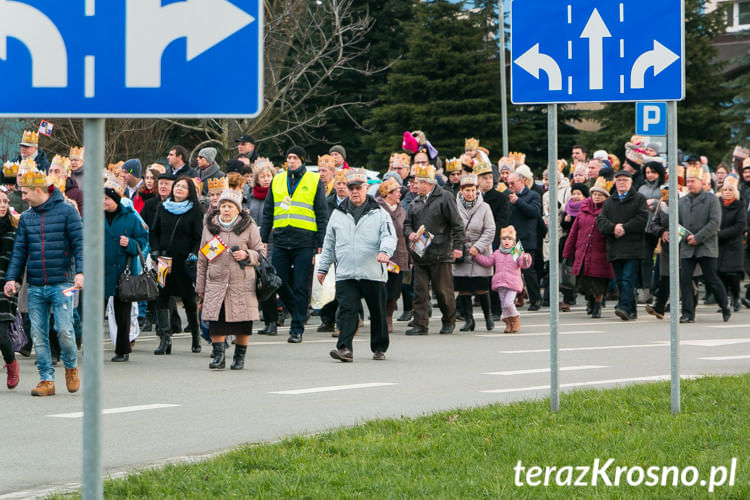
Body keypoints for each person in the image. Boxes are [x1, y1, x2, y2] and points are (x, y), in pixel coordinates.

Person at [5, 168, 83, 397]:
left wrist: (81, 272)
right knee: (38, 334)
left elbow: (80, 244)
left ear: (38, 190)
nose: (24, 197)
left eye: (26, 193)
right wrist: (12, 279)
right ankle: (46, 379)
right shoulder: (27, 218)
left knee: (64, 330)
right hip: (36, 286)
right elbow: (19, 252)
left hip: (64, 283)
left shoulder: (68, 212)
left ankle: (70, 366)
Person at [318, 168, 396, 362]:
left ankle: (379, 347)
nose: (354, 191)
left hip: (372, 272)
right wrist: (323, 268)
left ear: (366, 188)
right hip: (346, 272)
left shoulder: (379, 213)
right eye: (351, 187)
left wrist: (385, 252)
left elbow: (389, 236)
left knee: (377, 311)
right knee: (347, 310)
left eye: (358, 188)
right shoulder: (338, 214)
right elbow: (329, 243)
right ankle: (344, 348)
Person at [260, 146, 329, 343]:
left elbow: (321, 213)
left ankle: (296, 327)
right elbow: (268, 211)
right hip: (281, 238)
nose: (290, 161)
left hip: (304, 241)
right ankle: (299, 311)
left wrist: (321, 242)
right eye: (288, 157)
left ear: (302, 160)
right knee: (277, 282)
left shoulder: (314, 180)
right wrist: (263, 238)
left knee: (300, 285)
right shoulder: (278, 179)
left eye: (294, 158)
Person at [196, 190, 264, 370]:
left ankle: (239, 358)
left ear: (238, 209)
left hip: (242, 283)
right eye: (223, 206)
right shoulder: (209, 227)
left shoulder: (248, 227)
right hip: (216, 283)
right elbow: (202, 259)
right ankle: (219, 357)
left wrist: (247, 254)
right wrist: (200, 286)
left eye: (230, 206)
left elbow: (261, 253)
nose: (226, 209)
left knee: (243, 323)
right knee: (216, 321)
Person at [403, 159, 464, 335]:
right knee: (420, 291)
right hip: (420, 253)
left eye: (417, 182)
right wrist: (410, 233)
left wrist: (458, 246)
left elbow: (457, 224)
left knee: (443, 290)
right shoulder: (415, 201)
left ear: (427, 184)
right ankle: (420, 324)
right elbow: (407, 224)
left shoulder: (445, 197)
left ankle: (449, 321)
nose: (414, 185)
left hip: (440, 251)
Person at [149, 176, 204, 354]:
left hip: (185, 261)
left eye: (183, 187)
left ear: (190, 192)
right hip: (165, 259)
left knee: (188, 299)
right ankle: (165, 338)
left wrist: (194, 254)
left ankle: (195, 335)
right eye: (177, 186)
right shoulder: (163, 208)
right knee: (162, 296)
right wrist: (155, 251)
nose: (178, 189)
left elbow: (198, 237)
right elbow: (154, 231)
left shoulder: (195, 211)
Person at [103, 175, 149, 362]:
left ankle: (122, 349)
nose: (103, 202)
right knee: (92, 312)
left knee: (123, 312)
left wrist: (130, 243)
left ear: (115, 200)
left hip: (124, 269)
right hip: (100, 269)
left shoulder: (130, 217)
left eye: (106, 198)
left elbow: (143, 238)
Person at [597, 170, 649, 321]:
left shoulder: (639, 199)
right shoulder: (609, 202)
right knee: (621, 280)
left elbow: (642, 219)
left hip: (633, 247)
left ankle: (624, 307)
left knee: (627, 278)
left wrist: (625, 228)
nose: (622, 183)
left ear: (631, 182)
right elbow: (601, 221)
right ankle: (631, 310)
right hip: (615, 246)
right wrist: (613, 228)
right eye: (619, 180)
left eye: (625, 180)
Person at [562, 178, 614, 318]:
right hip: (583, 251)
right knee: (584, 283)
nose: (596, 197)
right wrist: (567, 251)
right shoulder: (583, 210)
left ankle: (597, 306)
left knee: (598, 282)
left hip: (601, 252)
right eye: (595, 194)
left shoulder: (608, 210)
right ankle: (590, 302)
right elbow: (574, 232)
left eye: (600, 195)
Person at [453, 174, 496, 331]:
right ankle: (469, 320)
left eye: (472, 190)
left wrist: (478, 247)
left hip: (480, 252)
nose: (470, 193)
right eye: (467, 190)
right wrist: (456, 246)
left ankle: (488, 317)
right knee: (463, 288)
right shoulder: (454, 206)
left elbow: (490, 229)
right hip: (461, 251)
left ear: (477, 190)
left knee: (481, 287)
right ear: (461, 191)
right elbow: (451, 228)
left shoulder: (484, 207)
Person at [475, 226, 532, 333]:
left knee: (508, 303)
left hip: (512, 283)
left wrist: (526, 258)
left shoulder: (516, 252)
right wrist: (477, 256)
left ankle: (515, 318)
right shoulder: (497, 253)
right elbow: (488, 262)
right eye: (504, 239)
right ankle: (508, 324)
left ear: (514, 241)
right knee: (503, 305)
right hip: (500, 283)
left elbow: (523, 265)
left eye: (510, 239)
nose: (507, 241)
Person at [248, 163, 278, 336]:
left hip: (272, 243)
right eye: (262, 176)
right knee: (257, 284)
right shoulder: (252, 197)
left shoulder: (277, 194)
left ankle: (272, 320)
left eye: (269, 176)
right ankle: (265, 321)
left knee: (269, 282)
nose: (266, 179)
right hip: (254, 244)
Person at [376, 177, 408, 332]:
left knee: (395, 290)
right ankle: (381, 317)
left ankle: (389, 316)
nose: (399, 194)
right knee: (381, 288)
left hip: (400, 255)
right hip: (384, 256)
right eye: (396, 191)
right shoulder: (378, 209)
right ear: (387, 194)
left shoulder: (402, 209)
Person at [507, 172, 542, 310]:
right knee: (514, 270)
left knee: (528, 270)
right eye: (508, 184)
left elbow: (534, 212)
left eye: (512, 183)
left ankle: (535, 299)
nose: (510, 186)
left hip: (527, 239)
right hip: (514, 240)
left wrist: (518, 201)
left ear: (521, 182)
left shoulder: (532, 195)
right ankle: (517, 297)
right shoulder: (508, 196)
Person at [637, 161, 666, 304]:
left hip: (660, 227)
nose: (650, 175)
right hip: (645, 228)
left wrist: (656, 203)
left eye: (653, 172)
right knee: (645, 260)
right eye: (647, 172)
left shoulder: (664, 188)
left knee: (663, 260)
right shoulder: (641, 188)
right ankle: (646, 290)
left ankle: (661, 288)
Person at [0, 188, 20, 389]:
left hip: (5, 285)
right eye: (0, 202)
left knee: (1, 334)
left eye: (6, 201)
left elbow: (19, 260)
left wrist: (16, 282)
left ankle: (11, 363)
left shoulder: (13, 230)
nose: (3, 205)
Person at [716, 177, 746, 312]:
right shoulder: (717, 204)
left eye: (730, 190)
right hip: (719, 244)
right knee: (720, 273)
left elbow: (740, 226)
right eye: (725, 190)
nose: (727, 192)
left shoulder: (740, 205)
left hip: (733, 244)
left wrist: (720, 234)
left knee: (732, 273)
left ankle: (736, 297)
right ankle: (724, 300)